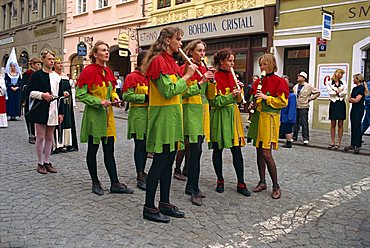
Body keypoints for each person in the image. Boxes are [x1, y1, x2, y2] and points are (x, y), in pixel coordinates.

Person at [141, 27, 200, 223]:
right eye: (178, 39)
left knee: (168, 163)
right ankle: (149, 206)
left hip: (173, 118)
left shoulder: (170, 61)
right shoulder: (158, 61)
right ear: (167, 40)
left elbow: (179, 93)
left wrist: (200, 84)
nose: (181, 43)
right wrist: (187, 75)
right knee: (159, 163)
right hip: (163, 118)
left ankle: (164, 202)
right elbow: (168, 90)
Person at [76, 41, 133, 196]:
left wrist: (115, 98)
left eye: (108, 50)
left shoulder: (107, 71)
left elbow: (111, 90)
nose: (107, 52)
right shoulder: (88, 71)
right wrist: (98, 101)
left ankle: (115, 183)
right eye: (103, 50)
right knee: (93, 150)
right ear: (95, 54)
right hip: (94, 116)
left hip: (108, 117)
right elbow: (80, 94)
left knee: (109, 150)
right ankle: (95, 181)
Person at [210, 48, 251, 197]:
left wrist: (239, 93)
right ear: (221, 62)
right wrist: (230, 95)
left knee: (237, 150)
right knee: (218, 149)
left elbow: (239, 101)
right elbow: (214, 101)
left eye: (233, 61)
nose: (232, 64)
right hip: (219, 115)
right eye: (229, 61)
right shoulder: (213, 77)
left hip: (233, 115)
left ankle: (241, 182)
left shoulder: (235, 76)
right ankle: (220, 180)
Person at [247, 54, 289, 199]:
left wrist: (266, 98)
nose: (262, 67)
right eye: (261, 65)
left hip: (270, 119)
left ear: (271, 64)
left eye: (265, 64)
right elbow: (254, 97)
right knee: (258, 151)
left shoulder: (279, 81)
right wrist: (253, 102)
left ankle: (276, 186)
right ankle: (262, 181)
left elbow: (283, 102)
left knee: (266, 153)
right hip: (259, 117)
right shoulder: (259, 81)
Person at [179, 39, 215, 206]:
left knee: (197, 152)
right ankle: (193, 189)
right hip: (190, 114)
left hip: (202, 114)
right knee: (195, 151)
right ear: (191, 51)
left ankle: (190, 185)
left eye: (203, 51)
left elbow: (210, 95)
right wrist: (201, 82)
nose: (202, 54)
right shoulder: (186, 69)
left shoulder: (204, 69)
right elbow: (182, 93)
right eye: (199, 50)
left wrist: (211, 82)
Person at [27, 50, 63, 174]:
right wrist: (42, 95)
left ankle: (47, 162)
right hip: (40, 109)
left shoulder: (57, 77)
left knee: (49, 137)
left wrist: (61, 112)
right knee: (40, 137)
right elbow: (30, 92)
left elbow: (60, 96)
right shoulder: (36, 75)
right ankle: (40, 163)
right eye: (49, 59)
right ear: (43, 60)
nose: (52, 61)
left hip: (53, 109)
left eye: (53, 59)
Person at [122, 51, 148, 191]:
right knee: (140, 145)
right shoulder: (132, 77)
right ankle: (140, 174)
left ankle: (143, 171)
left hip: (150, 115)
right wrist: (144, 98)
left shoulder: (151, 76)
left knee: (146, 147)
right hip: (138, 115)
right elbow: (127, 95)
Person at [52, 58, 78, 153]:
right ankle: (58, 144)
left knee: (67, 121)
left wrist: (68, 94)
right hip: (58, 102)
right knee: (58, 122)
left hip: (66, 102)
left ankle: (67, 143)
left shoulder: (65, 76)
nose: (60, 64)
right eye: (58, 63)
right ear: (54, 65)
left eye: (61, 63)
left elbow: (69, 89)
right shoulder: (53, 75)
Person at [293, 71, 320, 145]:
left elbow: (317, 92)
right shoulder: (295, 86)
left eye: (300, 76)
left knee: (304, 122)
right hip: (296, 106)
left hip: (304, 106)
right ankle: (294, 136)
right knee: (295, 122)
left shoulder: (308, 86)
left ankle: (305, 138)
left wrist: (310, 98)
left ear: (304, 78)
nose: (298, 77)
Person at [21, 58, 42, 144]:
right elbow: (24, 86)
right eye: (37, 64)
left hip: (38, 97)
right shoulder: (27, 74)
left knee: (37, 117)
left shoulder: (40, 74)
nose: (39, 66)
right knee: (29, 117)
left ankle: (38, 134)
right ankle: (31, 135)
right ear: (32, 65)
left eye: (40, 64)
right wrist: (23, 99)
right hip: (29, 98)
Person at [344, 74, 366, 154]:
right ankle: (352, 144)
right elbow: (349, 99)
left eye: (354, 79)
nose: (353, 80)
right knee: (353, 126)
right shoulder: (354, 88)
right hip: (354, 109)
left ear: (358, 79)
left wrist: (353, 99)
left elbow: (357, 100)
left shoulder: (361, 88)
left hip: (359, 109)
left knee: (357, 126)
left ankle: (357, 144)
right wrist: (352, 99)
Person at [326, 69, 347, 149]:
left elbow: (344, 92)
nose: (342, 76)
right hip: (333, 103)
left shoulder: (343, 83)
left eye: (342, 74)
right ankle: (332, 141)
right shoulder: (329, 82)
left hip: (341, 103)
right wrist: (338, 91)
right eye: (341, 74)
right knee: (333, 123)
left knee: (341, 124)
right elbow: (330, 92)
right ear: (337, 74)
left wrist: (337, 92)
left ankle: (338, 142)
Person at [280, 81, 297, 148]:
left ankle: (289, 142)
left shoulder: (292, 96)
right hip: (285, 115)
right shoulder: (287, 95)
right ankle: (288, 141)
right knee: (287, 130)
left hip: (288, 116)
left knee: (288, 130)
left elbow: (292, 107)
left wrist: (290, 117)